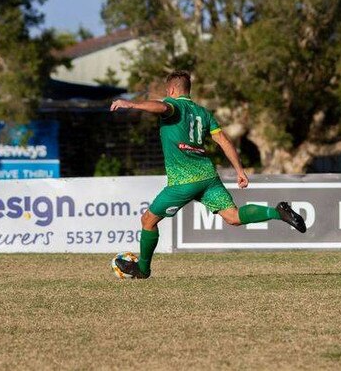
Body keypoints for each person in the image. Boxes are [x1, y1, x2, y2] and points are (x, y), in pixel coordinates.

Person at [110, 70, 306, 279]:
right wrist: (240, 170)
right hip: (208, 177)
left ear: (172, 89)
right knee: (233, 217)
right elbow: (223, 140)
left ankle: (143, 269)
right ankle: (278, 212)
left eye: (167, 91)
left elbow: (162, 106)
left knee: (148, 220)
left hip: (184, 180)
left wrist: (132, 104)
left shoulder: (174, 105)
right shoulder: (203, 113)